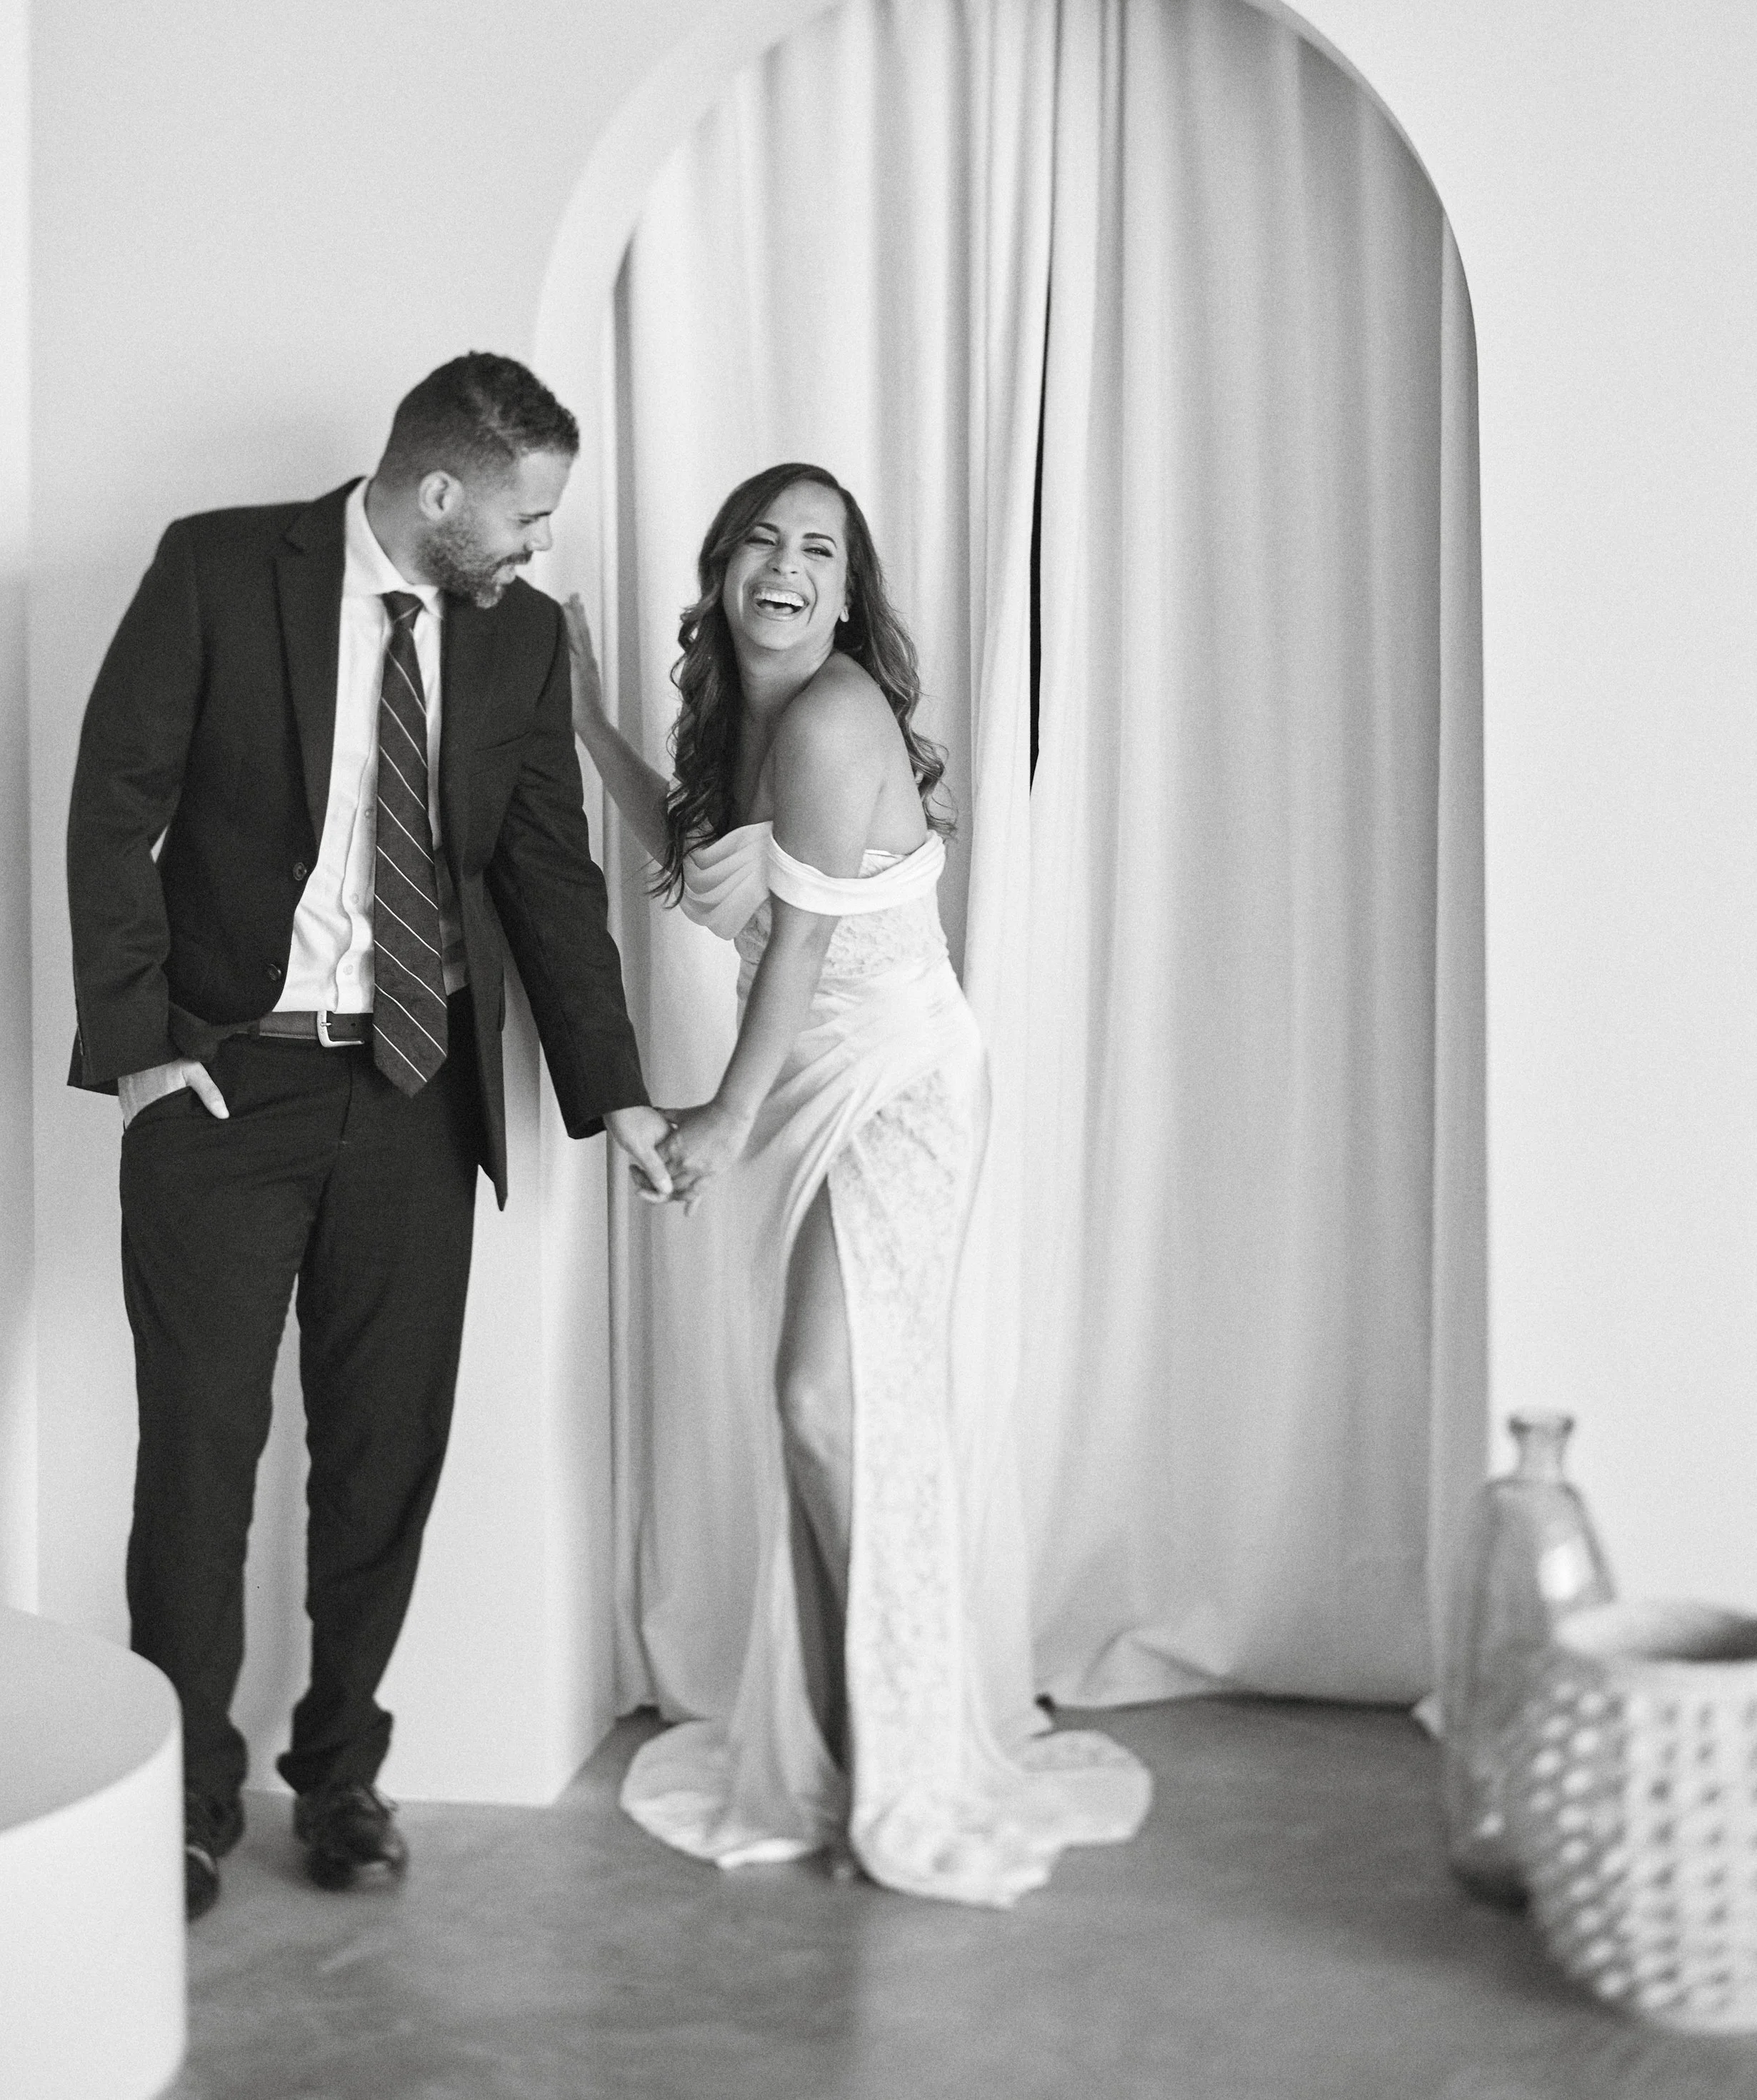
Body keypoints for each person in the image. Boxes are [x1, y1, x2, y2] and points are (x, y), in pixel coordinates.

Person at [66, 352, 676, 1920]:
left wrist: (615, 1095)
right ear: (440, 492)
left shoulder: (519, 639)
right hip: (226, 1088)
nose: (540, 548)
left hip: (414, 1095)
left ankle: (339, 1770)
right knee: (200, 1460)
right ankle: (189, 1799)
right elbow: (113, 801)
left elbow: (546, 877)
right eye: (527, 515)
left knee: (384, 1455)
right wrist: (138, 1052)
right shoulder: (219, 567)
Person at [565, 462, 1151, 1907]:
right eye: (763, 536)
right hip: (809, 1079)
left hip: (894, 1087)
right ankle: (838, 1748)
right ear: (719, 570)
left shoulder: (831, 715)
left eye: (819, 549)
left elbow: (805, 950)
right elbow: (705, 870)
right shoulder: (745, 721)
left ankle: (890, 1752)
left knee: (828, 1405)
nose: (787, 562)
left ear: (843, 593)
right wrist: (585, 718)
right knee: (818, 1417)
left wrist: (714, 1118)